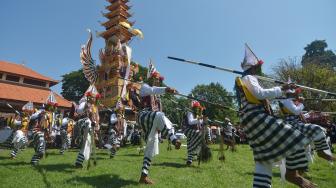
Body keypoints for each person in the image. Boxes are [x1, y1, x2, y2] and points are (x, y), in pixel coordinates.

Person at [235, 45, 315, 188]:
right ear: (254, 68)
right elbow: (260, 93)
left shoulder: (245, 79)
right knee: (296, 138)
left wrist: (281, 92)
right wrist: (282, 88)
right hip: (257, 118)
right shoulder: (249, 77)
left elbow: (261, 96)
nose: (259, 71)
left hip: (250, 121)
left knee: (263, 159)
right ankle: (292, 175)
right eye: (258, 68)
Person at [137, 64, 181, 184]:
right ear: (150, 78)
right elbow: (153, 89)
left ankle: (143, 175)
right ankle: (173, 139)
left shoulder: (157, 97)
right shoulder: (144, 87)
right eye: (155, 78)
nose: (157, 80)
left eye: (158, 79)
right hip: (144, 116)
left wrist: (169, 91)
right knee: (160, 115)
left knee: (150, 149)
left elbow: (157, 96)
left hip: (153, 121)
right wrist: (167, 89)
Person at [279, 86, 335, 162]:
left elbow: (298, 114)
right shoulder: (286, 101)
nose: (297, 96)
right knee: (318, 129)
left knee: (310, 141)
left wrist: (308, 114)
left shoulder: (291, 102)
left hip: (296, 124)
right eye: (295, 94)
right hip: (292, 125)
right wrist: (301, 103)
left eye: (297, 94)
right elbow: (296, 111)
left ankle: (319, 152)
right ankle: (321, 152)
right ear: (290, 94)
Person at [75, 85, 101, 168]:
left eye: (94, 97)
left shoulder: (96, 108)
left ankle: (79, 161)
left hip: (92, 127)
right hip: (85, 124)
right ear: (89, 97)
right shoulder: (85, 104)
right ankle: (79, 162)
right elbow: (78, 111)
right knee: (86, 143)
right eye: (92, 97)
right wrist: (86, 109)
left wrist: (97, 126)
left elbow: (97, 119)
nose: (93, 99)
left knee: (88, 144)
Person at [184, 100, 206, 166]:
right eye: (197, 108)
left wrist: (202, 119)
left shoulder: (198, 114)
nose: (198, 109)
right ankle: (197, 153)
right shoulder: (189, 113)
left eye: (198, 108)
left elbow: (200, 123)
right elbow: (190, 122)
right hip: (188, 130)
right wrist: (199, 119)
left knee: (190, 144)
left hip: (194, 131)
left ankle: (189, 160)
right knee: (199, 136)